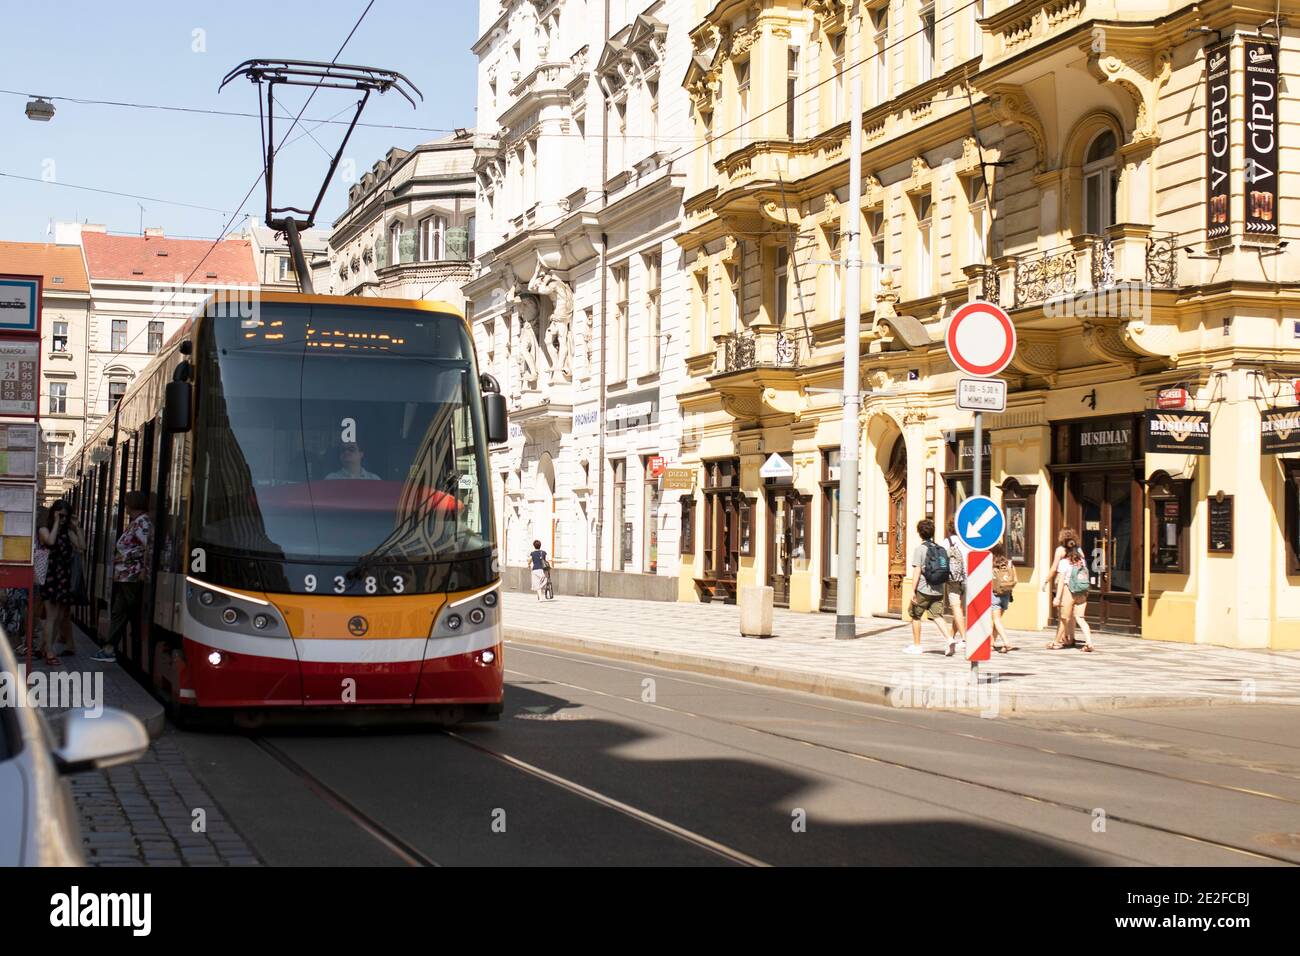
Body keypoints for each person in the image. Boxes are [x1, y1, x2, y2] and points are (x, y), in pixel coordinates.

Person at [95, 491, 152, 664]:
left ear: (132, 505)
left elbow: (149, 546)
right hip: (125, 575)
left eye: (126, 503)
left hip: (132, 575)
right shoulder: (136, 522)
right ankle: (109, 649)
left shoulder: (142, 522)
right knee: (119, 611)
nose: (124, 507)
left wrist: (144, 569)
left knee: (126, 611)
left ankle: (112, 648)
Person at [37, 500, 84, 668]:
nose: (63, 518)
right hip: (50, 576)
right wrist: (56, 522)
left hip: (63, 576)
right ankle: (49, 651)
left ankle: (46, 648)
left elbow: (81, 547)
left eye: (66, 515)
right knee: (51, 615)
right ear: (54, 513)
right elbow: (50, 541)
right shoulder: (44, 529)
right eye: (60, 514)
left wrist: (76, 527)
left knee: (58, 617)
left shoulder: (67, 531)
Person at [906, 518, 953, 655]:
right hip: (938, 588)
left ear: (919, 533)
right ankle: (950, 639)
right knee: (937, 615)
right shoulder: (940, 548)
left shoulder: (920, 549)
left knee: (915, 615)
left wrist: (913, 590)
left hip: (923, 588)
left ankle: (917, 646)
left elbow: (917, 571)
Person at [1051, 539, 1096, 652]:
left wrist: (1057, 598)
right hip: (1082, 592)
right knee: (1080, 618)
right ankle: (1089, 643)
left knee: (1064, 618)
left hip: (1069, 591)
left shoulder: (1064, 562)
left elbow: (1061, 581)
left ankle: (1056, 642)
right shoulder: (1082, 561)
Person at [1042, 527, 1078, 648]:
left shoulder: (1060, 550)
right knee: (1072, 613)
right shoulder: (1078, 549)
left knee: (1062, 613)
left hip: (1065, 583)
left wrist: (1046, 581)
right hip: (1077, 584)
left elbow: (1053, 568)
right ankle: (1070, 637)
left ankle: (1059, 639)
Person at [942, 517, 968, 656]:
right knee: (960, 609)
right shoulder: (970, 541)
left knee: (956, 608)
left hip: (953, 579)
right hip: (970, 577)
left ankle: (964, 638)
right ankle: (951, 640)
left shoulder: (948, 542)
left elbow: (941, 560)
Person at [990, 541, 1016, 653]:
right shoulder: (1009, 563)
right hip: (1006, 593)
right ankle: (991, 644)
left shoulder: (990, 563)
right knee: (998, 620)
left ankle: (1007, 642)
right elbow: (1015, 580)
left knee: (996, 620)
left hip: (994, 593)